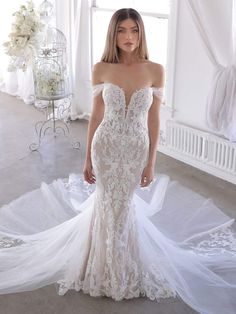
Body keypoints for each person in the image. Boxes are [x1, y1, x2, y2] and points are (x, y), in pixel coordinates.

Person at [0, 7, 236, 314]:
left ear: (141, 33)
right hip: (106, 148)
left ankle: (120, 267)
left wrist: (151, 162)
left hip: (134, 150)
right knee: (108, 204)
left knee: (121, 206)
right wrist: (87, 159)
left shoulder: (155, 69)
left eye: (134, 30)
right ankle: (104, 269)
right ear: (114, 34)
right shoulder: (101, 68)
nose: (129, 37)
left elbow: (154, 119)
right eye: (122, 31)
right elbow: (96, 115)